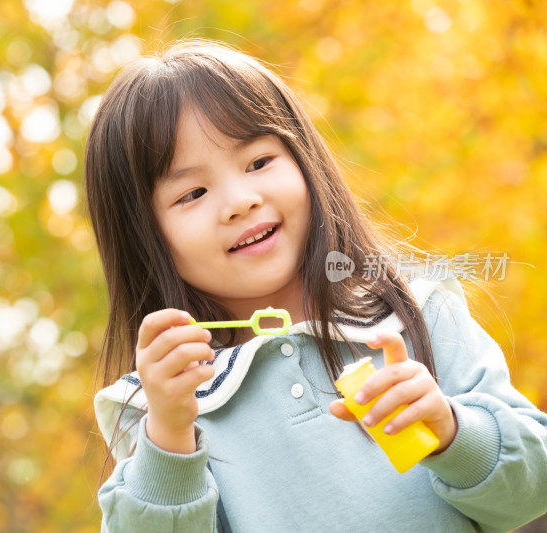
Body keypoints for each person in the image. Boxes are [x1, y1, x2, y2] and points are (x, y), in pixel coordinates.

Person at [83, 39, 547, 532]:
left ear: (304, 159)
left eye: (259, 162)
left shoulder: (414, 311)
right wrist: (170, 437)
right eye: (192, 192)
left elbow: (533, 491)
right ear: (143, 237)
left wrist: (454, 433)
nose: (241, 200)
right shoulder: (167, 402)